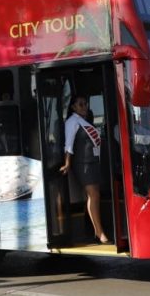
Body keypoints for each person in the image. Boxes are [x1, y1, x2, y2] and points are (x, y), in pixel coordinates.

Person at [60, 95, 109, 244]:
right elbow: (68, 144)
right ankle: (100, 233)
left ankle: (95, 231)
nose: (84, 107)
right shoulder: (71, 121)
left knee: (94, 195)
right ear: (73, 107)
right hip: (83, 164)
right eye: (80, 104)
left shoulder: (83, 120)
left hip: (92, 163)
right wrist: (67, 163)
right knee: (93, 195)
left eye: (85, 104)